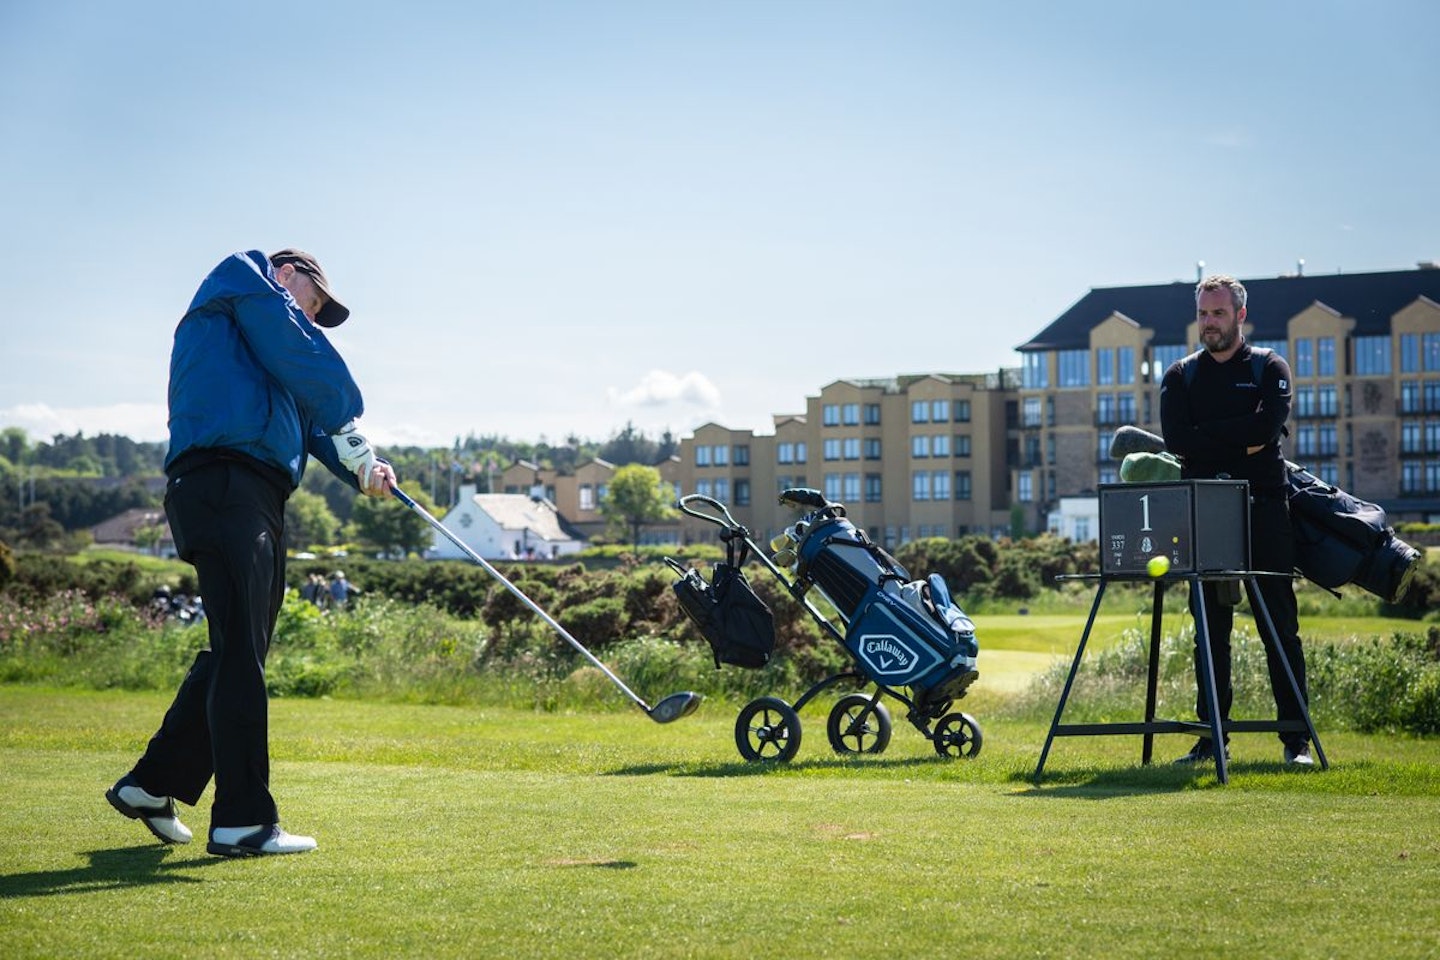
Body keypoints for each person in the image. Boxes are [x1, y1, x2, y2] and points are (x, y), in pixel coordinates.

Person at [106, 249, 397, 857]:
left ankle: (152, 784)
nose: (310, 321)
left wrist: (363, 467)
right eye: (311, 306)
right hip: (222, 481)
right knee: (241, 650)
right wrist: (348, 413)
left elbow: (317, 421)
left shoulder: (274, 347)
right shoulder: (244, 277)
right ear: (288, 277)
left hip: (256, 495)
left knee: (241, 647)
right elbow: (310, 367)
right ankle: (242, 820)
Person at [1159, 274, 1313, 766]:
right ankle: (1211, 740)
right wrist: (1239, 439)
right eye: (1203, 313)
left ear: (1240, 316)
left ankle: (1296, 742)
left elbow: (1267, 428)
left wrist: (1211, 436)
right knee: (1210, 630)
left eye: (1218, 313)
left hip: (1266, 510)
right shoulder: (1180, 375)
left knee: (1279, 629)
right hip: (1205, 515)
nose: (1209, 323)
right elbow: (1177, 440)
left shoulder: (1270, 367)